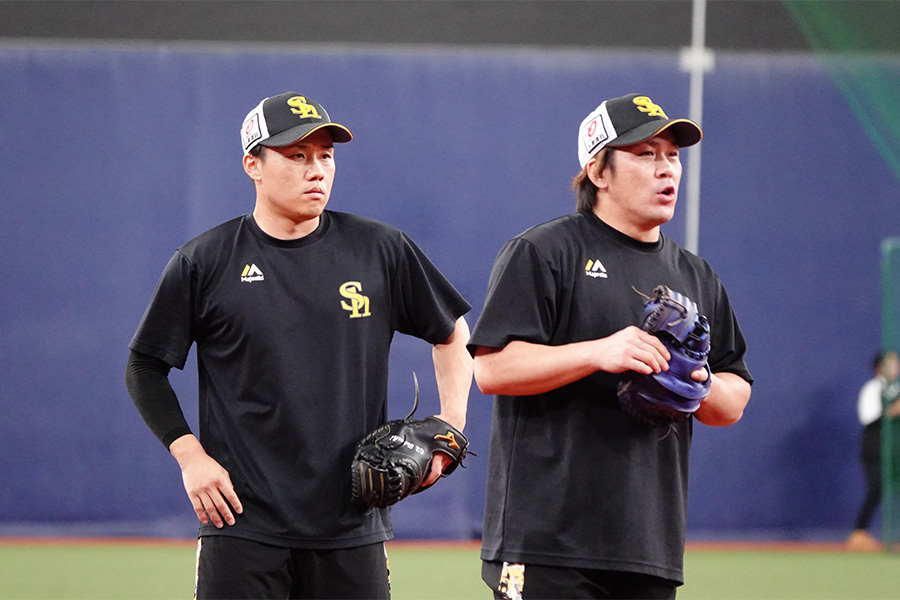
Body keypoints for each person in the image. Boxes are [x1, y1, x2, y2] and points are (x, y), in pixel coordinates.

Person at [124, 91, 473, 599]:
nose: (317, 170)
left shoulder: (378, 249)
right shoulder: (206, 261)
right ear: (253, 165)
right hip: (242, 522)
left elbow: (452, 334)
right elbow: (144, 364)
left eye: (325, 156)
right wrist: (189, 455)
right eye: (296, 156)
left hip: (351, 525)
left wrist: (450, 426)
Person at [468, 93, 753, 599]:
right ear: (598, 171)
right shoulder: (544, 251)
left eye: (672, 154)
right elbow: (493, 370)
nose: (666, 168)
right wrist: (597, 352)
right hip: (546, 544)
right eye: (646, 154)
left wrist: (697, 382)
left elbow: (732, 398)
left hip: (648, 546)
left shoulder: (696, 275)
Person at [847, 350, 900, 552]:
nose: (895, 368)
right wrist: (892, 411)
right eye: (891, 364)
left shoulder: (895, 389)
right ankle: (858, 535)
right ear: (879, 367)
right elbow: (868, 417)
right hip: (875, 449)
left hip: (895, 450)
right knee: (877, 488)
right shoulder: (872, 389)